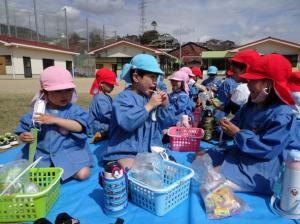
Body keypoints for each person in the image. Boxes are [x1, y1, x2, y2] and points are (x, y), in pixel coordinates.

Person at [201, 54, 300, 195]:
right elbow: (238, 122)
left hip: (263, 166)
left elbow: (267, 150)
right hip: (244, 152)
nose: (248, 84)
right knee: (202, 159)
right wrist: (226, 125)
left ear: (270, 85)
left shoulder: (283, 115)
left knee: (211, 180)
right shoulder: (252, 104)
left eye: (254, 80)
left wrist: (237, 133)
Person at [15, 66, 94, 181]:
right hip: (42, 154)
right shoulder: (38, 111)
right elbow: (23, 129)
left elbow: (79, 127)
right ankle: (51, 167)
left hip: (68, 151)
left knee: (84, 174)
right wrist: (24, 136)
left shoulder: (74, 110)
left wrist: (55, 120)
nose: (65, 95)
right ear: (45, 93)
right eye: (58, 91)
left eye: (68, 90)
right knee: (24, 175)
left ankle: (63, 168)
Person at [102, 54, 169, 169]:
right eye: (152, 77)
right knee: (139, 171)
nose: (155, 82)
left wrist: (164, 106)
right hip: (125, 151)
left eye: (156, 77)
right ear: (136, 77)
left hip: (148, 151)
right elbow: (127, 123)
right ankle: (113, 164)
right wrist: (148, 107)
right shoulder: (123, 98)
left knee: (169, 168)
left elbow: (164, 123)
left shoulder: (151, 98)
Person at [87, 68, 118, 138]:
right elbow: (105, 115)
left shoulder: (105, 96)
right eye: (110, 84)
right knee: (118, 128)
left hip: (100, 124)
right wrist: (118, 117)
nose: (113, 86)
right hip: (95, 126)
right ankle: (101, 134)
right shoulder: (100, 98)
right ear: (101, 83)